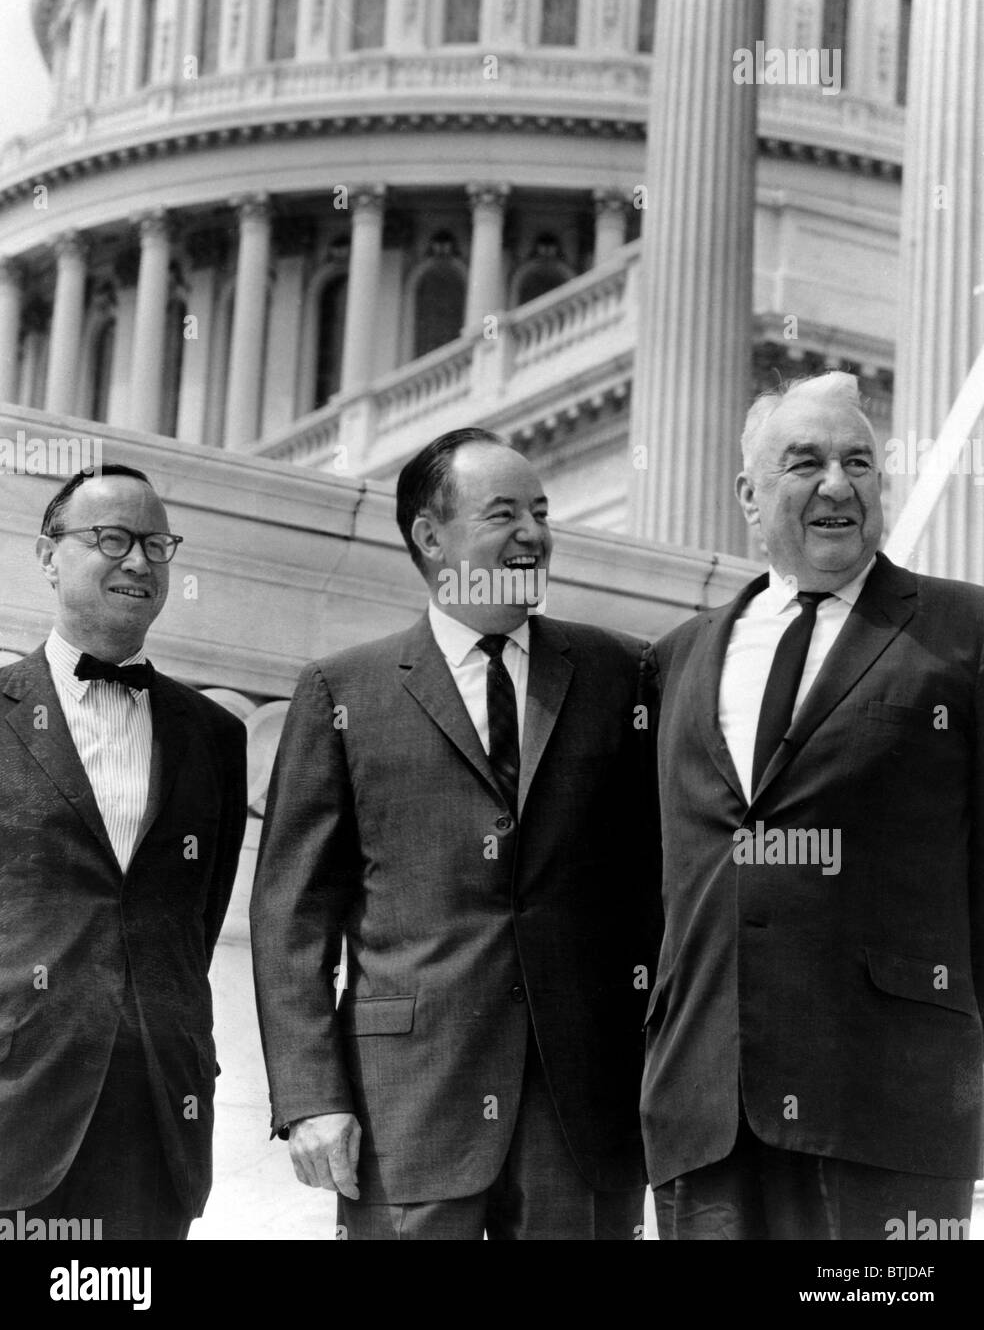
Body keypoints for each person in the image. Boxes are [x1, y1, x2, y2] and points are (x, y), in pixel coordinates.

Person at [250, 427, 658, 1240]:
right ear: (431, 538)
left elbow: (662, 883)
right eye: (503, 513)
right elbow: (291, 915)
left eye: (541, 513)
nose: (533, 534)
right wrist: (309, 1097)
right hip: (406, 1110)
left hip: (582, 1117)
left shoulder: (626, 674)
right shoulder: (343, 690)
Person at [641, 370, 984, 1240]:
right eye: (807, 463)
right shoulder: (676, 659)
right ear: (750, 497)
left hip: (891, 1104)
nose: (839, 485)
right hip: (707, 1114)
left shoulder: (962, 633)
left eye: (859, 462)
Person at [0, 464, 247, 1240]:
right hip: (13, 1108)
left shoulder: (215, 736)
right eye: (111, 538)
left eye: (155, 543)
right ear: (48, 556)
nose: (138, 561)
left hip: (155, 1120)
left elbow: (194, 923)